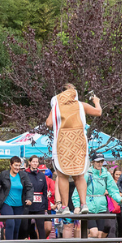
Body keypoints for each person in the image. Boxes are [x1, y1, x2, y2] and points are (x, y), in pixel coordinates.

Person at [46, 84, 102, 214]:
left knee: (62, 175)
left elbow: (48, 123)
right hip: (79, 142)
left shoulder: (57, 106)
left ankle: (65, 206)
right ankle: (84, 204)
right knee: (79, 175)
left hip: (62, 142)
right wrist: (97, 102)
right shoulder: (81, 105)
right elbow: (98, 112)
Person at [72, 152, 122, 243]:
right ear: (93, 162)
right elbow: (77, 191)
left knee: (100, 235)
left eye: (101, 161)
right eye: (97, 162)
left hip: (102, 207)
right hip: (89, 208)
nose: (100, 164)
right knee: (94, 233)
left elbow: (113, 189)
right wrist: (77, 205)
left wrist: (120, 199)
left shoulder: (106, 174)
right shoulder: (87, 174)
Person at [0, 156, 33, 243]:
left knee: (17, 226)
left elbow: (29, 187)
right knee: (10, 223)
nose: (17, 167)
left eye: (19, 165)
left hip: (19, 205)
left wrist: (29, 199)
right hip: (6, 203)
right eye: (15, 165)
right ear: (10, 165)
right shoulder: (4, 174)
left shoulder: (23, 175)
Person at [25, 155, 50, 243]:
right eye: (33, 162)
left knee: (41, 226)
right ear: (30, 162)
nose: (35, 163)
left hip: (39, 205)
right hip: (28, 204)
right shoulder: (25, 174)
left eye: (37, 162)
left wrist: (45, 206)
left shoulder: (42, 175)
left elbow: (45, 191)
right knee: (27, 227)